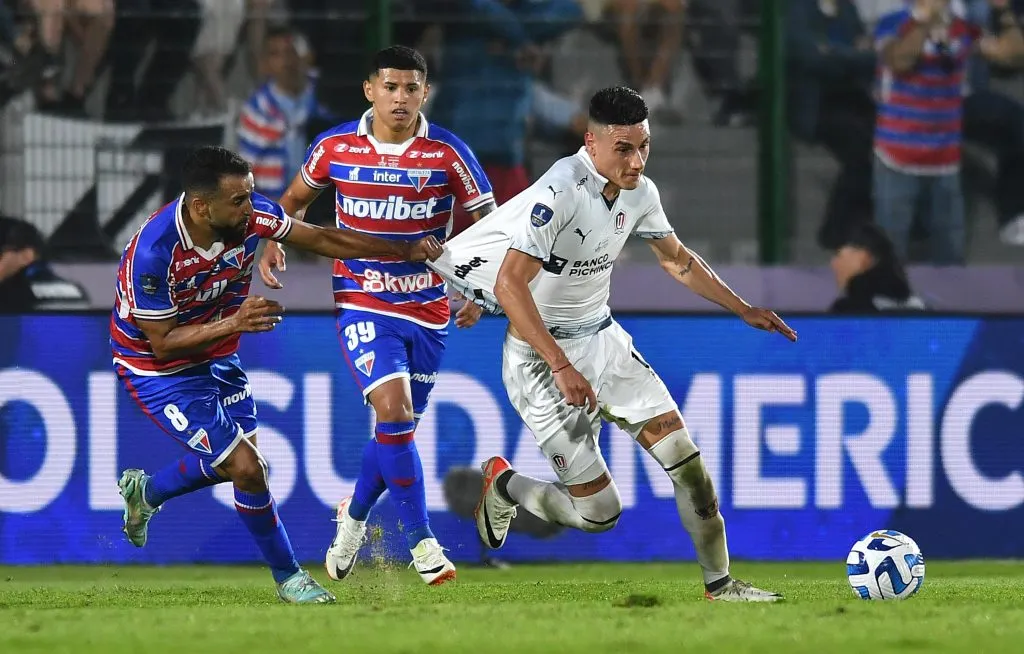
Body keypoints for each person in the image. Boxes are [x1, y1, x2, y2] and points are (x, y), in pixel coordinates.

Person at [427, 87, 795, 602]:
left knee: (690, 467)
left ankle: (721, 584)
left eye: (644, 147)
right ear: (591, 142)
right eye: (624, 149)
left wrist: (742, 307)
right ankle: (505, 485)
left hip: (604, 343)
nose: (636, 161)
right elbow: (510, 285)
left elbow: (678, 260)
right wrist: (560, 366)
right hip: (540, 362)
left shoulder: (640, 192)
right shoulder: (561, 191)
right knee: (599, 514)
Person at [110, 146, 442, 604]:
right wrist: (235, 322)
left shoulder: (250, 218)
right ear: (201, 207)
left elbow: (323, 239)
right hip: (157, 367)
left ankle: (147, 492)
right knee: (248, 468)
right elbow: (163, 341)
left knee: (238, 465)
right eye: (239, 200)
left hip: (219, 353)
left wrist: (403, 251)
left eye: (250, 195)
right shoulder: (153, 251)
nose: (251, 208)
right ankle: (290, 578)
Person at [257, 45, 497, 586]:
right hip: (362, 298)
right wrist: (273, 242)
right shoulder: (335, 146)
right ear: (370, 90)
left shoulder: (448, 153)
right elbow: (291, 201)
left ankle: (354, 515)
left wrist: (479, 290)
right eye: (390, 87)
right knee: (394, 411)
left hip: (428, 305)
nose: (400, 98)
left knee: (396, 430)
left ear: (425, 93)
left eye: (411, 88)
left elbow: (491, 226)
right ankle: (422, 542)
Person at [872, 0, 1024, 262]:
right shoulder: (894, 22)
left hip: (945, 160)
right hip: (897, 158)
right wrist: (925, 22)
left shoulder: (962, 29)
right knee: (889, 251)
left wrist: (1003, 12)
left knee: (950, 257)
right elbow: (899, 60)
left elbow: (1012, 55)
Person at [829, 222, 926, 312]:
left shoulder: (847, 311)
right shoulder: (918, 307)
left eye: (838, 255)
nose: (833, 263)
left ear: (866, 257)